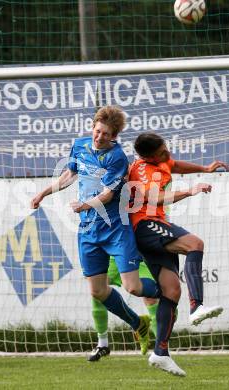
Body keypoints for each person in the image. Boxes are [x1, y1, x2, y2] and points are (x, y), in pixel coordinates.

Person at [30, 106, 160, 357]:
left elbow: (109, 194)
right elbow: (69, 175)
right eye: (97, 131)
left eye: (105, 134)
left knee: (132, 287)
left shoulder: (117, 157)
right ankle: (138, 324)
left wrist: (84, 205)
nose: (99, 137)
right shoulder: (80, 145)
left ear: (114, 136)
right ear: (93, 126)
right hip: (89, 231)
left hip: (115, 229)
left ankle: (167, 290)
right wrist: (42, 193)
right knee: (97, 291)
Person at [128, 132, 229, 376]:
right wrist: (190, 191)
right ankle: (197, 307)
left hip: (154, 227)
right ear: (150, 157)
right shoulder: (143, 171)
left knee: (172, 290)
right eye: (162, 152)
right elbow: (155, 198)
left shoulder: (161, 160)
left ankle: (160, 353)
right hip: (144, 224)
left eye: (166, 149)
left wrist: (204, 168)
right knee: (195, 244)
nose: (168, 154)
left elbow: (175, 165)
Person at [89, 256, 158, 361]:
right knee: (98, 288)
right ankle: (102, 343)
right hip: (112, 250)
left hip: (138, 251)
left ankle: (161, 350)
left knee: (150, 297)